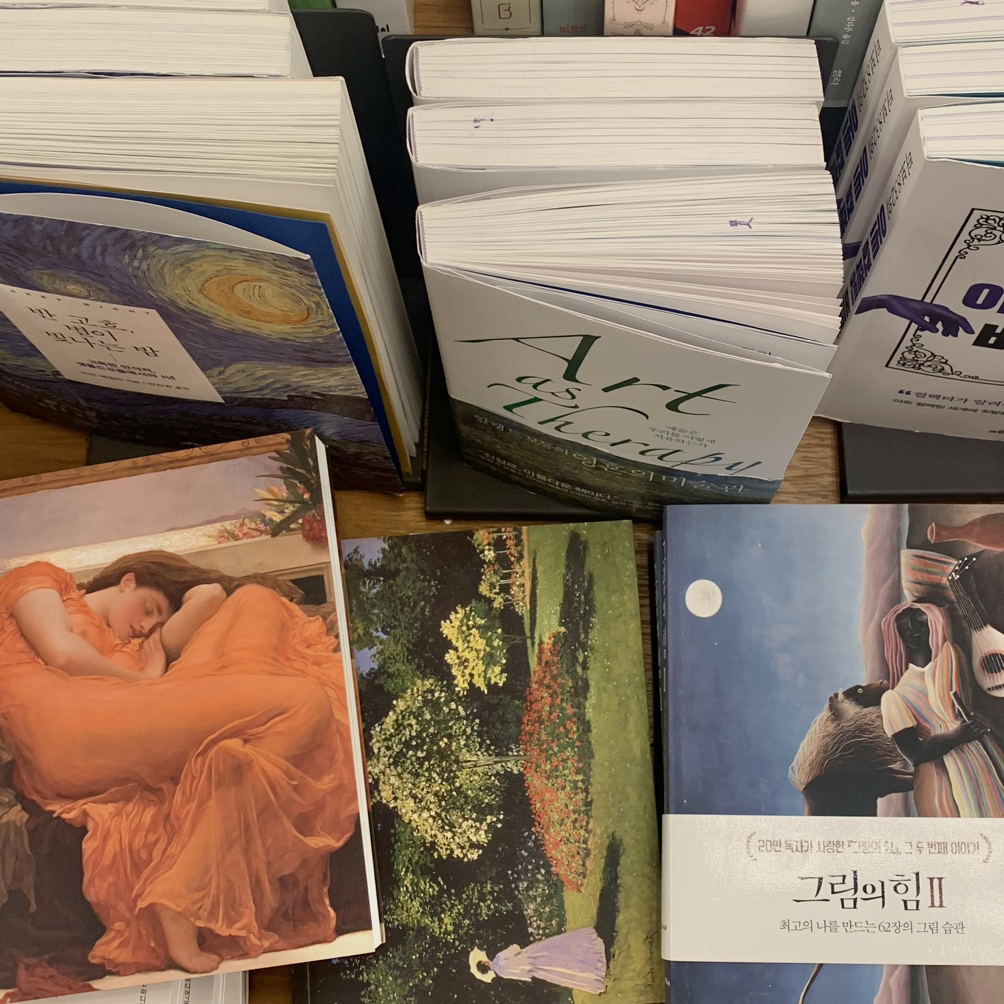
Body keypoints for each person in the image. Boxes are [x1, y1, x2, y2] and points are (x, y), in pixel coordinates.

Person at [0, 551, 360, 977]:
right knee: (303, 703)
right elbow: (62, 653)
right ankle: (183, 893)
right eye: (149, 607)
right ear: (128, 580)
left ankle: (186, 880)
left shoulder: (136, 651)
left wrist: (169, 633)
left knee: (254, 598)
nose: (146, 626)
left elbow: (209, 597)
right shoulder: (44, 580)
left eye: (158, 622)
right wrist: (146, 680)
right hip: (63, 727)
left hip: (118, 719)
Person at [468, 927, 607, 994]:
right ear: (485, 963)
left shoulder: (501, 974)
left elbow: (522, 976)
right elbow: (515, 948)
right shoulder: (498, 958)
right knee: (560, 952)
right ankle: (592, 952)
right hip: (530, 957)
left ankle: (594, 972)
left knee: (561, 970)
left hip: (533, 970)